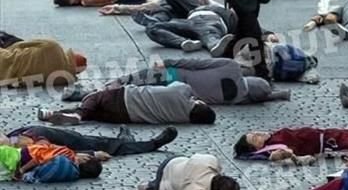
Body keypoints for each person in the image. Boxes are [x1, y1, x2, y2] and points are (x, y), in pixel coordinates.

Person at [137, 151, 286, 190]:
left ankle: (151, 186)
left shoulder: (209, 161)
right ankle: (151, 188)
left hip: (171, 163)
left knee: (180, 172)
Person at [110, 57, 289, 105]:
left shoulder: (231, 66)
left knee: (138, 78)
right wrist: (277, 95)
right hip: (176, 94)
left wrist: (168, 62)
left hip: (175, 75)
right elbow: (260, 96)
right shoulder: (236, 99)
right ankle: (110, 93)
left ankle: (113, 84)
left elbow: (195, 63)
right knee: (136, 93)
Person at [37, 82, 216, 125]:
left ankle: (78, 115)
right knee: (94, 112)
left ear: (200, 105)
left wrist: (196, 98)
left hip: (126, 97)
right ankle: (51, 114)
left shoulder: (181, 93)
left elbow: (181, 84)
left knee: (95, 97)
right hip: (126, 117)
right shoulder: (182, 118)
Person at [9, 123, 178, 157]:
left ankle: (125, 140)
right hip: (56, 144)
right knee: (104, 146)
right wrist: (91, 154)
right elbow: (49, 153)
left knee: (96, 141)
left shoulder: (13, 138)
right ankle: (152, 144)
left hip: (52, 136)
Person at [0, 39, 85, 88]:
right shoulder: (62, 79)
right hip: (6, 79)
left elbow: (21, 44)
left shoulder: (54, 46)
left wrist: (9, 51)